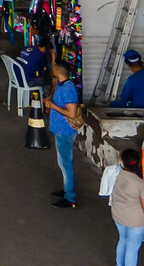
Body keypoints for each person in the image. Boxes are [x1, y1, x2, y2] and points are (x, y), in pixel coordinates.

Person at [107, 145, 144, 266]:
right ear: (138, 164)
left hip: (118, 216)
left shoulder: (116, 175)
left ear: (123, 163)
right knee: (133, 247)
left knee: (123, 239)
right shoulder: (141, 184)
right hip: (136, 222)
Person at [45, 59, 82, 209]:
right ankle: (67, 189)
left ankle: (70, 197)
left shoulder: (68, 89)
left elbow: (72, 113)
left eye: (53, 67)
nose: (51, 68)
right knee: (62, 163)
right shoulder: (60, 85)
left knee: (66, 164)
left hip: (64, 131)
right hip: (59, 129)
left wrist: (52, 105)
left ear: (59, 71)